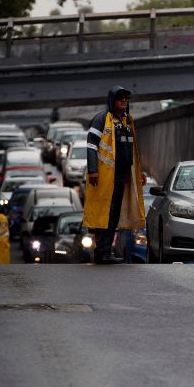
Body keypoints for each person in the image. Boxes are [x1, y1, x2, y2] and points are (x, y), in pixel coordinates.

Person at [83, 85, 146, 264]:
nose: (124, 101)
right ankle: (101, 252)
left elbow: (132, 151)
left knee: (114, 215)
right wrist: (93, 170)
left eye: (126, 98)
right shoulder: (102, 119)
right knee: (104, 215)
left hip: (120, 177)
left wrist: (138, 173)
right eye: (120, 98)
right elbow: (91, 144)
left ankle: (106, 252)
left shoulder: (127, 121)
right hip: (104, 178)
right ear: (112, 100)